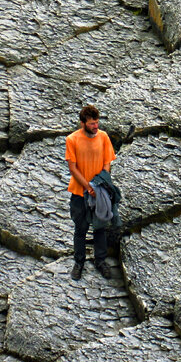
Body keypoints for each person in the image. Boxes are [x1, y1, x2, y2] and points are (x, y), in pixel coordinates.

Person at [65, 105, 117, 280]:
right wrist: (88, 187)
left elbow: (107, 161)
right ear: (83, 124)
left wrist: (101, 182)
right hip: (80, 193)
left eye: (97, 123)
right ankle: (79, 262)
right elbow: (72, 168)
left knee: (100, 227)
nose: (96, 126)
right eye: (92, 124)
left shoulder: (103, 137)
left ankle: (100, 261)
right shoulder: (72, 140)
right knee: (80, 228)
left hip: (99, 191)